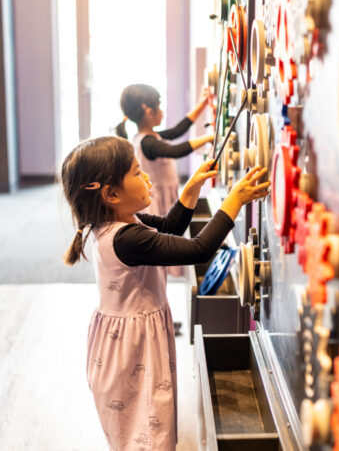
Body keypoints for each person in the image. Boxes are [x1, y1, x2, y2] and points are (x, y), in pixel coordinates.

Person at [60, 136, 269, 450]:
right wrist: (234, 202)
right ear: (112, 194)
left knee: (137, 431)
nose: (146, 177)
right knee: (147, 433)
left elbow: (169, 228)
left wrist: (189, 191)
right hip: (133, 350)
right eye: (136, 172)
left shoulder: (116, 221)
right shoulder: (127, 238)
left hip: (120, 346)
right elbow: (199, 249)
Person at [114, 83, 214, 219]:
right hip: (157, 206)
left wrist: (201, 106)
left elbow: (178, 130)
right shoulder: (147, 143)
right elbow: (175, 151)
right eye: (159, 106)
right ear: (149, 112)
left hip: (164, 198)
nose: (162, 111)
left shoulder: (151, 137)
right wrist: (208, 138)